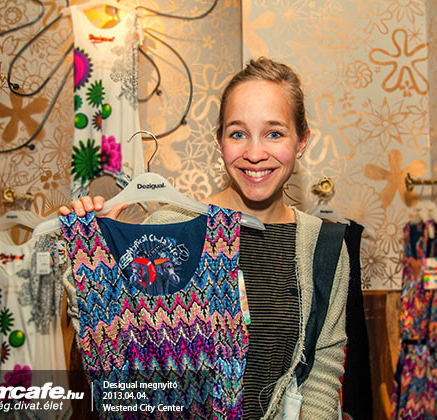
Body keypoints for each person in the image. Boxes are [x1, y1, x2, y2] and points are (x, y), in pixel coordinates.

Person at [60, 57, 349, 420]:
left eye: (274, 133)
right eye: (237, 133)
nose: (254, 153)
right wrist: (93, 256)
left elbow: (322, 370)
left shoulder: (322, 246)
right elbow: (113, 353)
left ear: (301, 141)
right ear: (219, 140)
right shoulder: (169, 229)